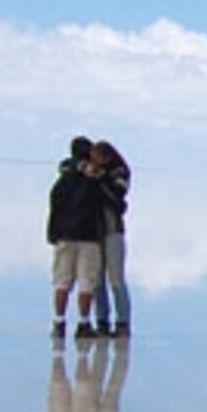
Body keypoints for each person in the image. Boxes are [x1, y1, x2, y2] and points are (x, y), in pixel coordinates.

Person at [45, 135, 108, 340]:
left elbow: (54, 208)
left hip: (65, 235)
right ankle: (83, 323)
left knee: (62, 281)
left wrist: (52, 234)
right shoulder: (94, 180)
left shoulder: (62, 181)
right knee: (86, 283)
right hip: (88, 237)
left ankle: (59, 322)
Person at [89, 137, 133, 337]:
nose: (94, 162)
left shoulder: (120, 172)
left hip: (113, 230)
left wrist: (100, 179)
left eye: (96, 157)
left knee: (116, 279)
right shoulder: (93, 174)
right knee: (97, 280)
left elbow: (117, 196)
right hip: (95, 232)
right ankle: (102, 321)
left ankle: (122, 322)